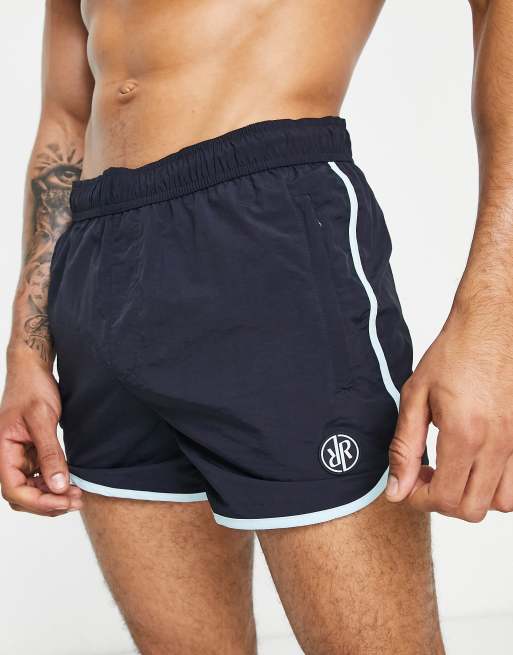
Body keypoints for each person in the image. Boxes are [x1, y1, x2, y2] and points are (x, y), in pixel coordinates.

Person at [0, 1, 511, 653]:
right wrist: (26, 349)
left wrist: (494, 319)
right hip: (96, 258)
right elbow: (66, 118)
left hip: (266, 234)